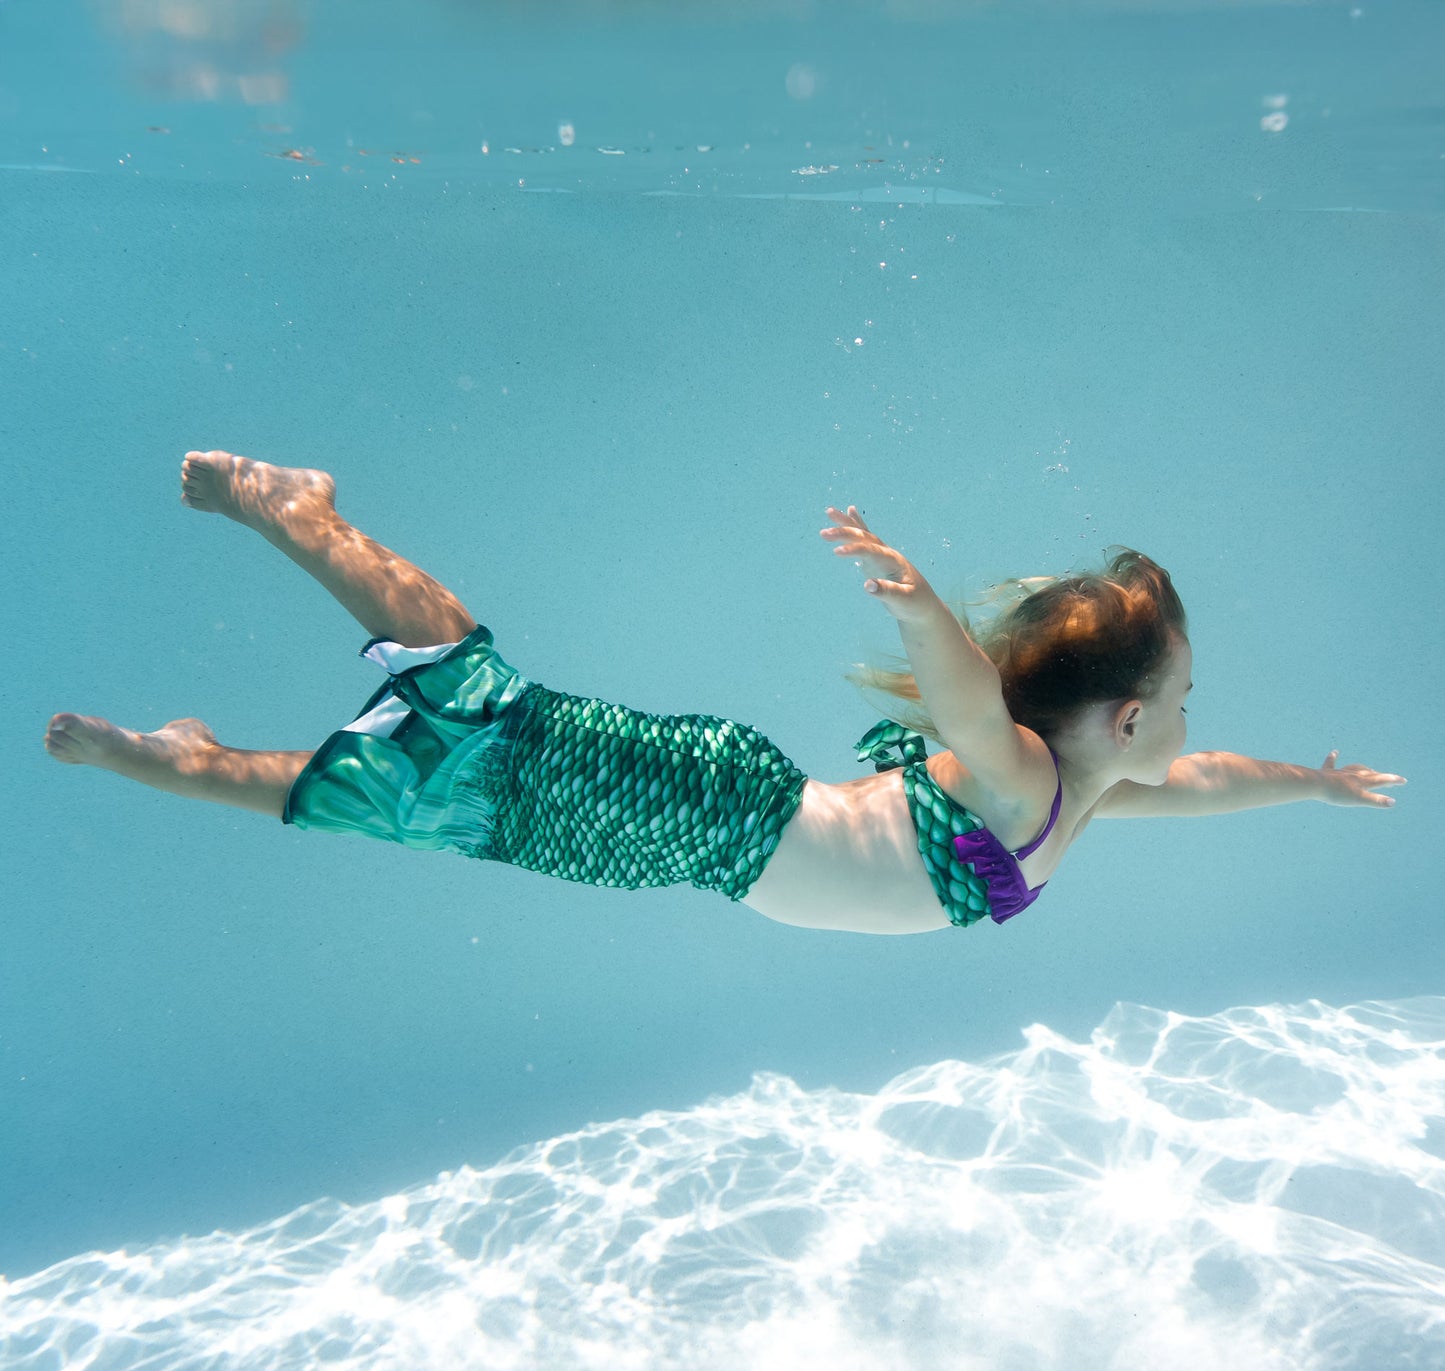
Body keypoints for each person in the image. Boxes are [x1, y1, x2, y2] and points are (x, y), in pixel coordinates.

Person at [44, 451, 1405, 935]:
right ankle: (298, 513)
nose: (1191, 724)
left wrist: (1315, 782)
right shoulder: (1029, 778)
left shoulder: (1093, 790)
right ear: (1122, 717)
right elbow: (964, 704)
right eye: (1184, 696)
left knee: (451, 804)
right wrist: (923, 606)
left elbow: (1207, 780)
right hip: (723, 808)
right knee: (489, 720)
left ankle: (175, 757)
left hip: (700, 850)